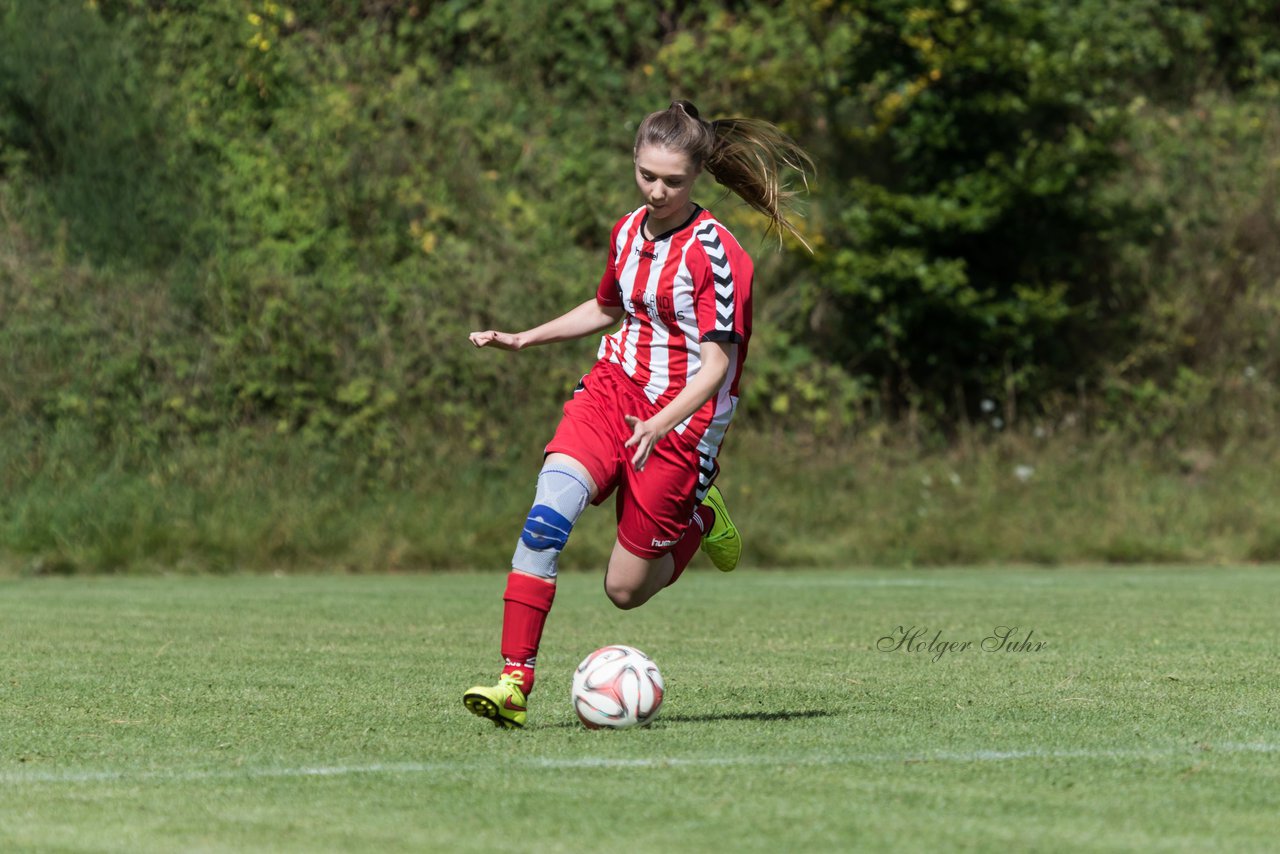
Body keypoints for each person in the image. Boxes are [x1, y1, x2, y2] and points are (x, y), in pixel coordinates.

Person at [463, 100, 813, 729]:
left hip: (681, 424)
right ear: (634, 161)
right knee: (546, 518)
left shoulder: (719, 256)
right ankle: (514, 682)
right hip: (611, 391)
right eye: (648, 175)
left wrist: (659, 423)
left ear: (697, 176)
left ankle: (701, 518)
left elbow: (714, 367)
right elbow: (607, 308)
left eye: (673, 181)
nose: (658, 190)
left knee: (623, 591)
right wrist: (524, 337)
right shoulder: (626, 231)